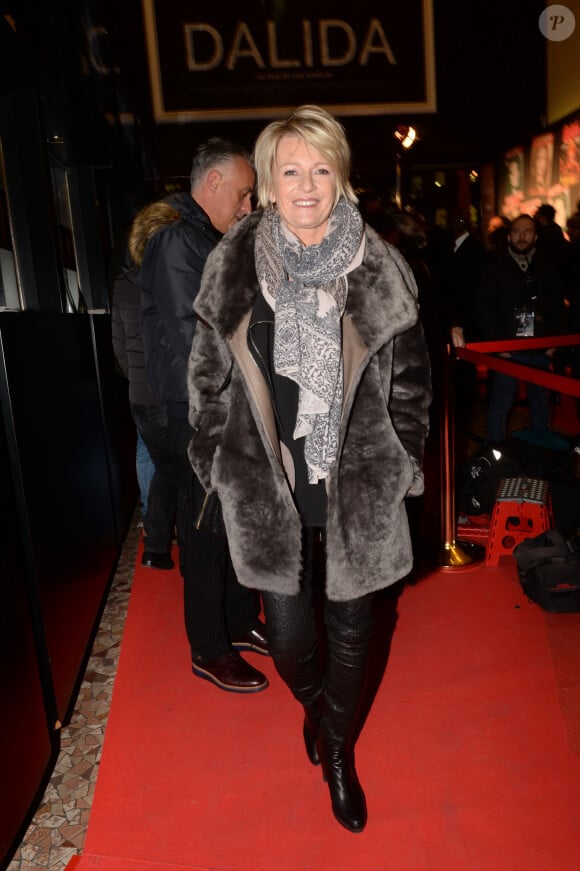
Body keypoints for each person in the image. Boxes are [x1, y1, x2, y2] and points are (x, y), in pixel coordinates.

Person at [187, 105, 431, 832]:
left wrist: (402, 461)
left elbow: (412, 383)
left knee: (354, 629)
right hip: (269, 482)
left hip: (356, 482)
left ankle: (336, 753)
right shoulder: (231, 262)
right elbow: (206, 378)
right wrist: (214, 461)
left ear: (341, 180)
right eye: (290, 169)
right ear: (265, 183)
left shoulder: (382, 267)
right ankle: (321, 709)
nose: (306, 184)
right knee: (291, 640)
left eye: (321, 168)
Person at [128, 138, 270, 693]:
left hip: (221, 402)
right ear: (212, 183)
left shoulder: (204, 237)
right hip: (197, 409)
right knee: (207, 531)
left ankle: (236, 623)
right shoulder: (176, 240)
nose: (248, 205)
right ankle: (209, 649)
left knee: (233, 524)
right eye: (243, 192)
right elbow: (201, 333)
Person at [475, 213, 567, 444]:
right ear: (508, 236)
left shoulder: (548, 266)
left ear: (535, 236)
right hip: (508, 351)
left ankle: (541, 457)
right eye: (517, 231)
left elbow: (557, 306)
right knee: (499, 407)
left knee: (540, 407)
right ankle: (494, 459)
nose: (522, 236)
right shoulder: (494, 267)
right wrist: (498, 347)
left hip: (541, 349)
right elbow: (486, 310)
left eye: (527, 231)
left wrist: (554, 344)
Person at [111, 260, 177, 568]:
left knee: (146, 453)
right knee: (173, 466)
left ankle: (152, 519)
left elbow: (119, 344)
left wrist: (135, 376)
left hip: (138, 391)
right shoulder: (166, 276)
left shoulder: (123, 284)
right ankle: (161, 534)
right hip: (167, 390)